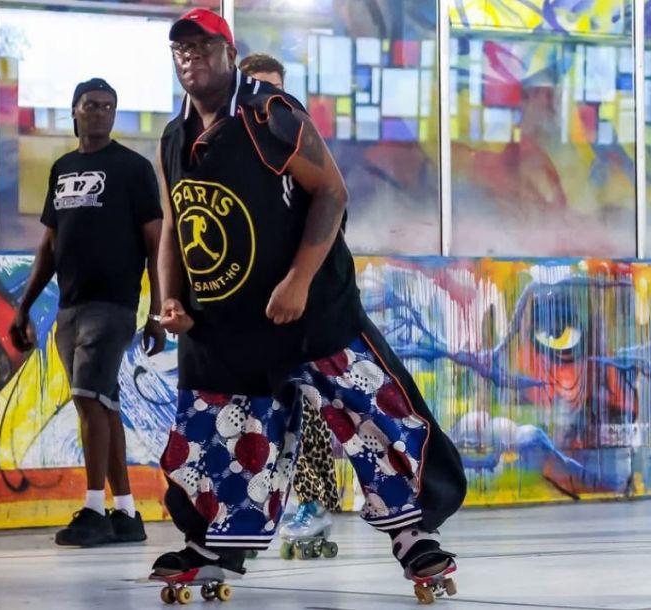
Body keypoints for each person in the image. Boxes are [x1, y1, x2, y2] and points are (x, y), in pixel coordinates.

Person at [150, 7, 466, 589]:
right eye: (180, 48)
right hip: (227, 325)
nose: (190, 55)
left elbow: (332, 193)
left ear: (229, 53)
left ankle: (414, 536)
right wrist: (169, 298)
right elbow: (173, 224)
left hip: (308, 312)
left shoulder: (270, 114)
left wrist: (297, 280)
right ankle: (211, 543)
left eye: (202, 45)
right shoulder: (174, 138)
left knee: (373, 415)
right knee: (219, 433)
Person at [9, 77, 165, 547]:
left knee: (87, 401)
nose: (99, 112)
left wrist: (157, 309)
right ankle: (125, 513)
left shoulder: (133, 169)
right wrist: (25, 305)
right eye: (91, 105)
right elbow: (51, 243)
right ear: (74, 110)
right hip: (70, 306)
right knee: (103, 404)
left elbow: (155, 241)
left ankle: (93, 509)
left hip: (113, 305)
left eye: (108, 106)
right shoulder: (62, 169)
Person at [239, 51, 342, 551]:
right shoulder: (232, 149)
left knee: (311, 398)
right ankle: (257, 502)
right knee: (264, 407)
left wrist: (303, 280)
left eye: (273, 89)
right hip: (253, 303)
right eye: (254, 87)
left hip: (303, 295)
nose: (264, 99)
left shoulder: (296, 138)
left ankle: (315, 502)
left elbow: (331, 207)